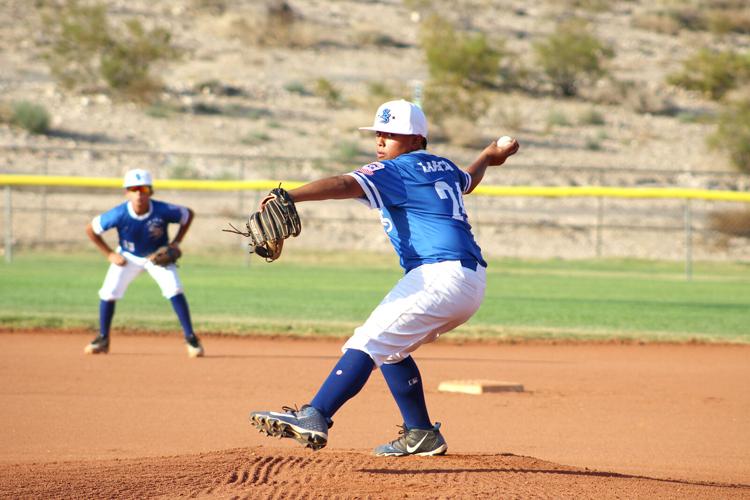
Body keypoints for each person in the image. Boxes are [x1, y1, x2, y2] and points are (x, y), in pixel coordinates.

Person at [250, 99, 519, 455]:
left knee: (368, 340)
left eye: (391, 134)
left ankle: (316, 414)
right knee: (392, 351)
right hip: (463, 280)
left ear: (414, 140)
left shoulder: (399, 168)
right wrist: (487, 156)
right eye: (379, 133)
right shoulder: (442, 166)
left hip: (440, 274)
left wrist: (291, 196)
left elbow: (345, 183)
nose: (381, 141)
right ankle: (421, 433)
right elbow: (468, 181)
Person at [83, 168, 205, 358]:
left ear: (151, 191)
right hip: (127, 256)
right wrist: (109, 254)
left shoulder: (163, 210)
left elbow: (188, 214)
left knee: (174, 289)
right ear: (127, 192)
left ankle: (191, 338)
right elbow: (91, 229)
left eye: (144, 189)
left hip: (157, 256)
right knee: (108, 292)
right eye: (134, 189)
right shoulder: (119, 214)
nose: (139, 193)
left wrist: (176, 242)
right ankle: (103, 338)